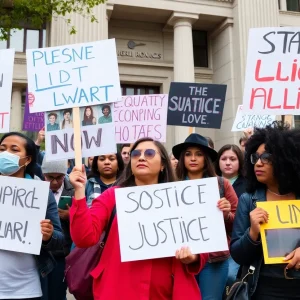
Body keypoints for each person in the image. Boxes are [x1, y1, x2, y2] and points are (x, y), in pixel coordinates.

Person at [69, 137, 209, 299]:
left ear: (163, 164)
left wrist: (193, 256)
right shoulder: (112, 196)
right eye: (136, 154)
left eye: (149, 153)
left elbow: (201, 242)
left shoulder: (181, 198)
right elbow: (84, 237)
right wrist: (79, 191)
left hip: (167, 291)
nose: (141, 157)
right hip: (118, 288)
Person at [230, 122, 300, 299]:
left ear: (285, 159)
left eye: (266, 157)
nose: (258, 163)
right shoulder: (248, 200)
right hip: (262, 289)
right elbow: (237, 254)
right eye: (255, 157)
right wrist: (252, 233)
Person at [173, 133, 238, 300]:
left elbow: (239, 225)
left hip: (214, 260)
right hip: (181, 258)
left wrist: (226, 214)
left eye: (199, 154)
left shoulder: (222, 184)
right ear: (182, 158)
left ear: (206, 158)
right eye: (188, 154)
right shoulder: (171, 185)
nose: (193, 158)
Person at [0, 132, 64, 300]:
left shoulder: (41, 193)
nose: (5, 154)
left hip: (26, 288)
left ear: (27, 159)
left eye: (14, 150)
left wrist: (48, 236)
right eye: (2, 149)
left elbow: (59, 240)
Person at [41, 159, 74, 300]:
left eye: (59, 177)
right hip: (41, 253)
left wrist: (70, 215)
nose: (54, 182)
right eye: (50, 177)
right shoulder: (35, 188)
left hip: (63, 253)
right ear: (44, 175)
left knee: (58, 293)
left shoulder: (75, 189)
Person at [215, 144, 246, 288]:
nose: (228, 162)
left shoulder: (249, 185)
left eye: (232, 159)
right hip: (213, 245)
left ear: (240, 161)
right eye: (224, 158)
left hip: (235, 242)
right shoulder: (210, 182)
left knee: (229, 277)